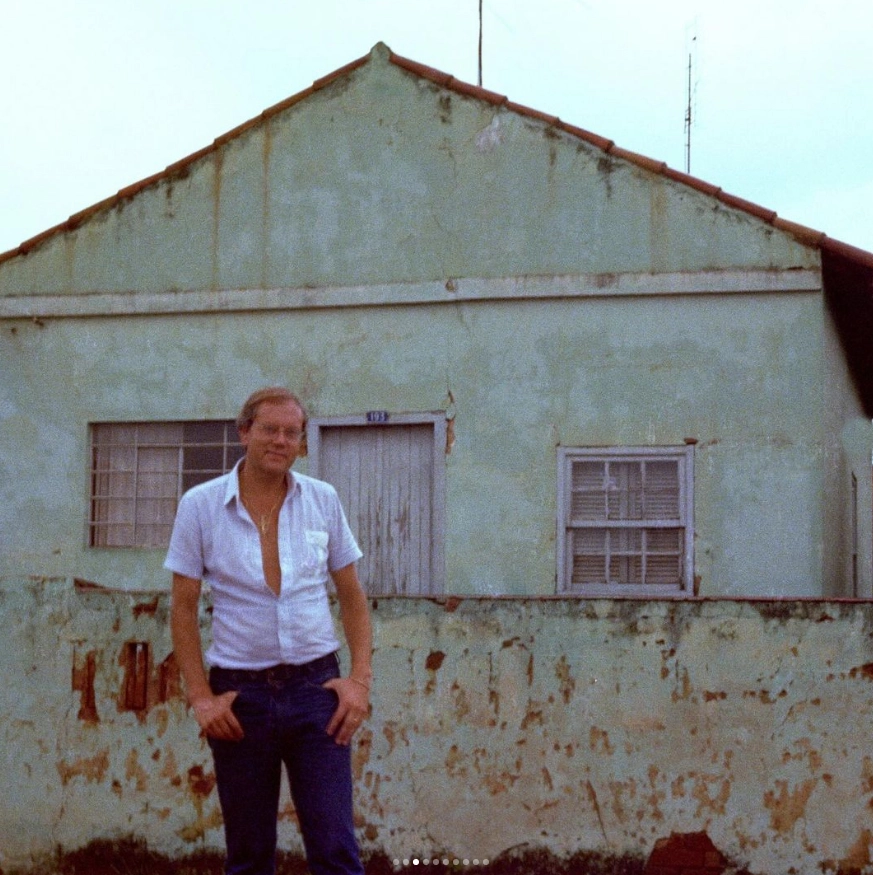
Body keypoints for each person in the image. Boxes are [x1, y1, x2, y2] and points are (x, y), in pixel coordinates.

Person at [166, 387, 372, 875]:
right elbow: (183, 607)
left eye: (291, 432)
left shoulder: (323, 500)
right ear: (244, 433)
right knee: (249, 855)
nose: (280, 441)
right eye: (269, 430)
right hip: (240, 699)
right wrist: (201, 697)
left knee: (336, 850)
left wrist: (358, 682)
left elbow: (352, 596)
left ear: (301, 441)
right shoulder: (200, 505)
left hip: (317, 691)